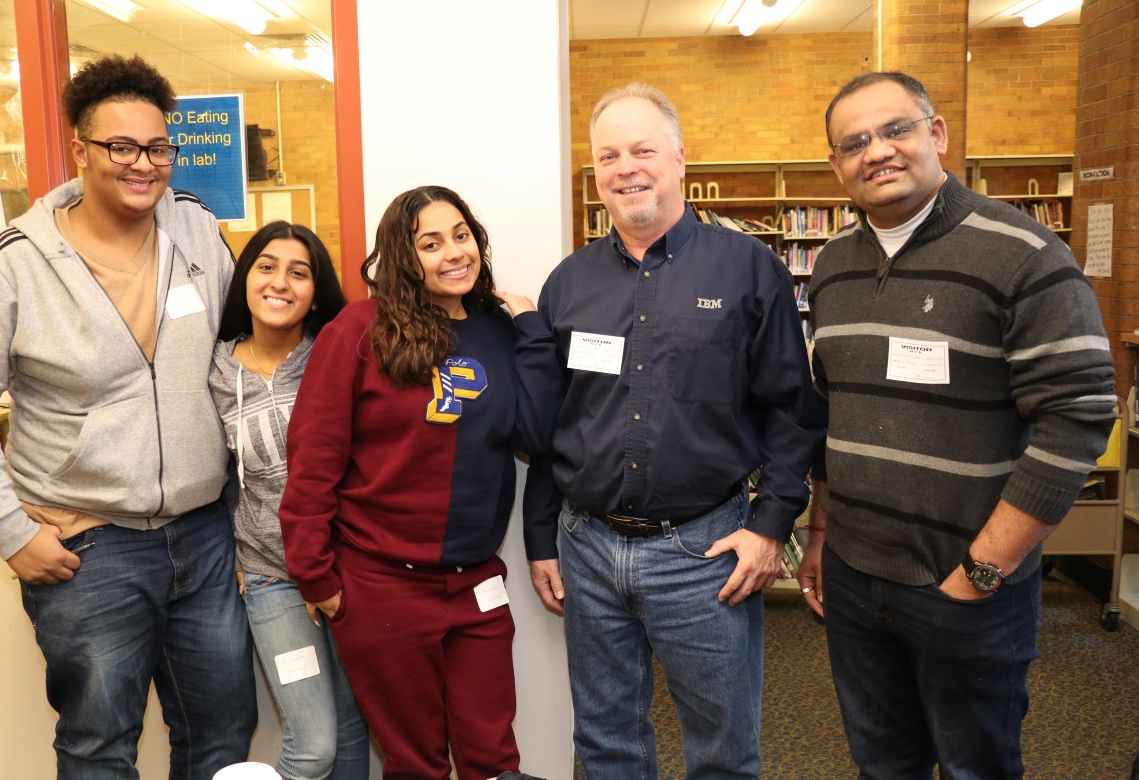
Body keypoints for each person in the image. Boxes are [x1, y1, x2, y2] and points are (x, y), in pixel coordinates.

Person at [0, 54, 256, 776]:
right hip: (89, 548)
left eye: (157, 147)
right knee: (99, 745)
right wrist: (10, 532)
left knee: (221, 735)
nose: (142, 165)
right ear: (80, 149)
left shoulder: (199, 232)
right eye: (120, 147)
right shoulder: (14, 260)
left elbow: (249, 348)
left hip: (204, 538)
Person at [798, 71, 1117, 780]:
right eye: (854, 143)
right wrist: (821, 537)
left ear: (936, 134)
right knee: (882, 763)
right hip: (854, 578)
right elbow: (833, 413)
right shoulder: (832, 268)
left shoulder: (1025, 254)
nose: (876, 151)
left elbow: (1079, 415)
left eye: (896, 129)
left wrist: (983, 569)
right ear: (836, 166)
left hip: (967, 584)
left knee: (978, 767)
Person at [522, 82, 823, 779]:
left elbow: (792, 408)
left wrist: (772, 525)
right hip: (587, 548)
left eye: (643, 149)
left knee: (720, 748)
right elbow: (554, 425)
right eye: (608, 156)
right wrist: (542, 537)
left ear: (681, 159)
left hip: (703, 551)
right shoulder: (568, 284)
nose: (625, 167)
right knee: (604, 742)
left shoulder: (750, 269)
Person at [277, 186, 555, 780]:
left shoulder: (498, 332)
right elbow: (313, 456)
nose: (453, 253)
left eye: (461, 235)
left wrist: (531, 330)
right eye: (431, 243)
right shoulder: (360, 327)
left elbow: (535, 435)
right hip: (381, 587)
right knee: (416, 764)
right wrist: (317, 575)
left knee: (494, 759)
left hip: (477, 584)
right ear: (404, 257)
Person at [210, 221, 369, 780]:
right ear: (245, 279)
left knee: (353, 730)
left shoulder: (337, 358)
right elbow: (214, 476)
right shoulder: (213, 370)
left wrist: (322, 571)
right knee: (314, 745)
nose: (281, 283)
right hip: (270, 579)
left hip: (345, 572)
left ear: (316, 289)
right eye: (267, 267)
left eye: (299, 272)